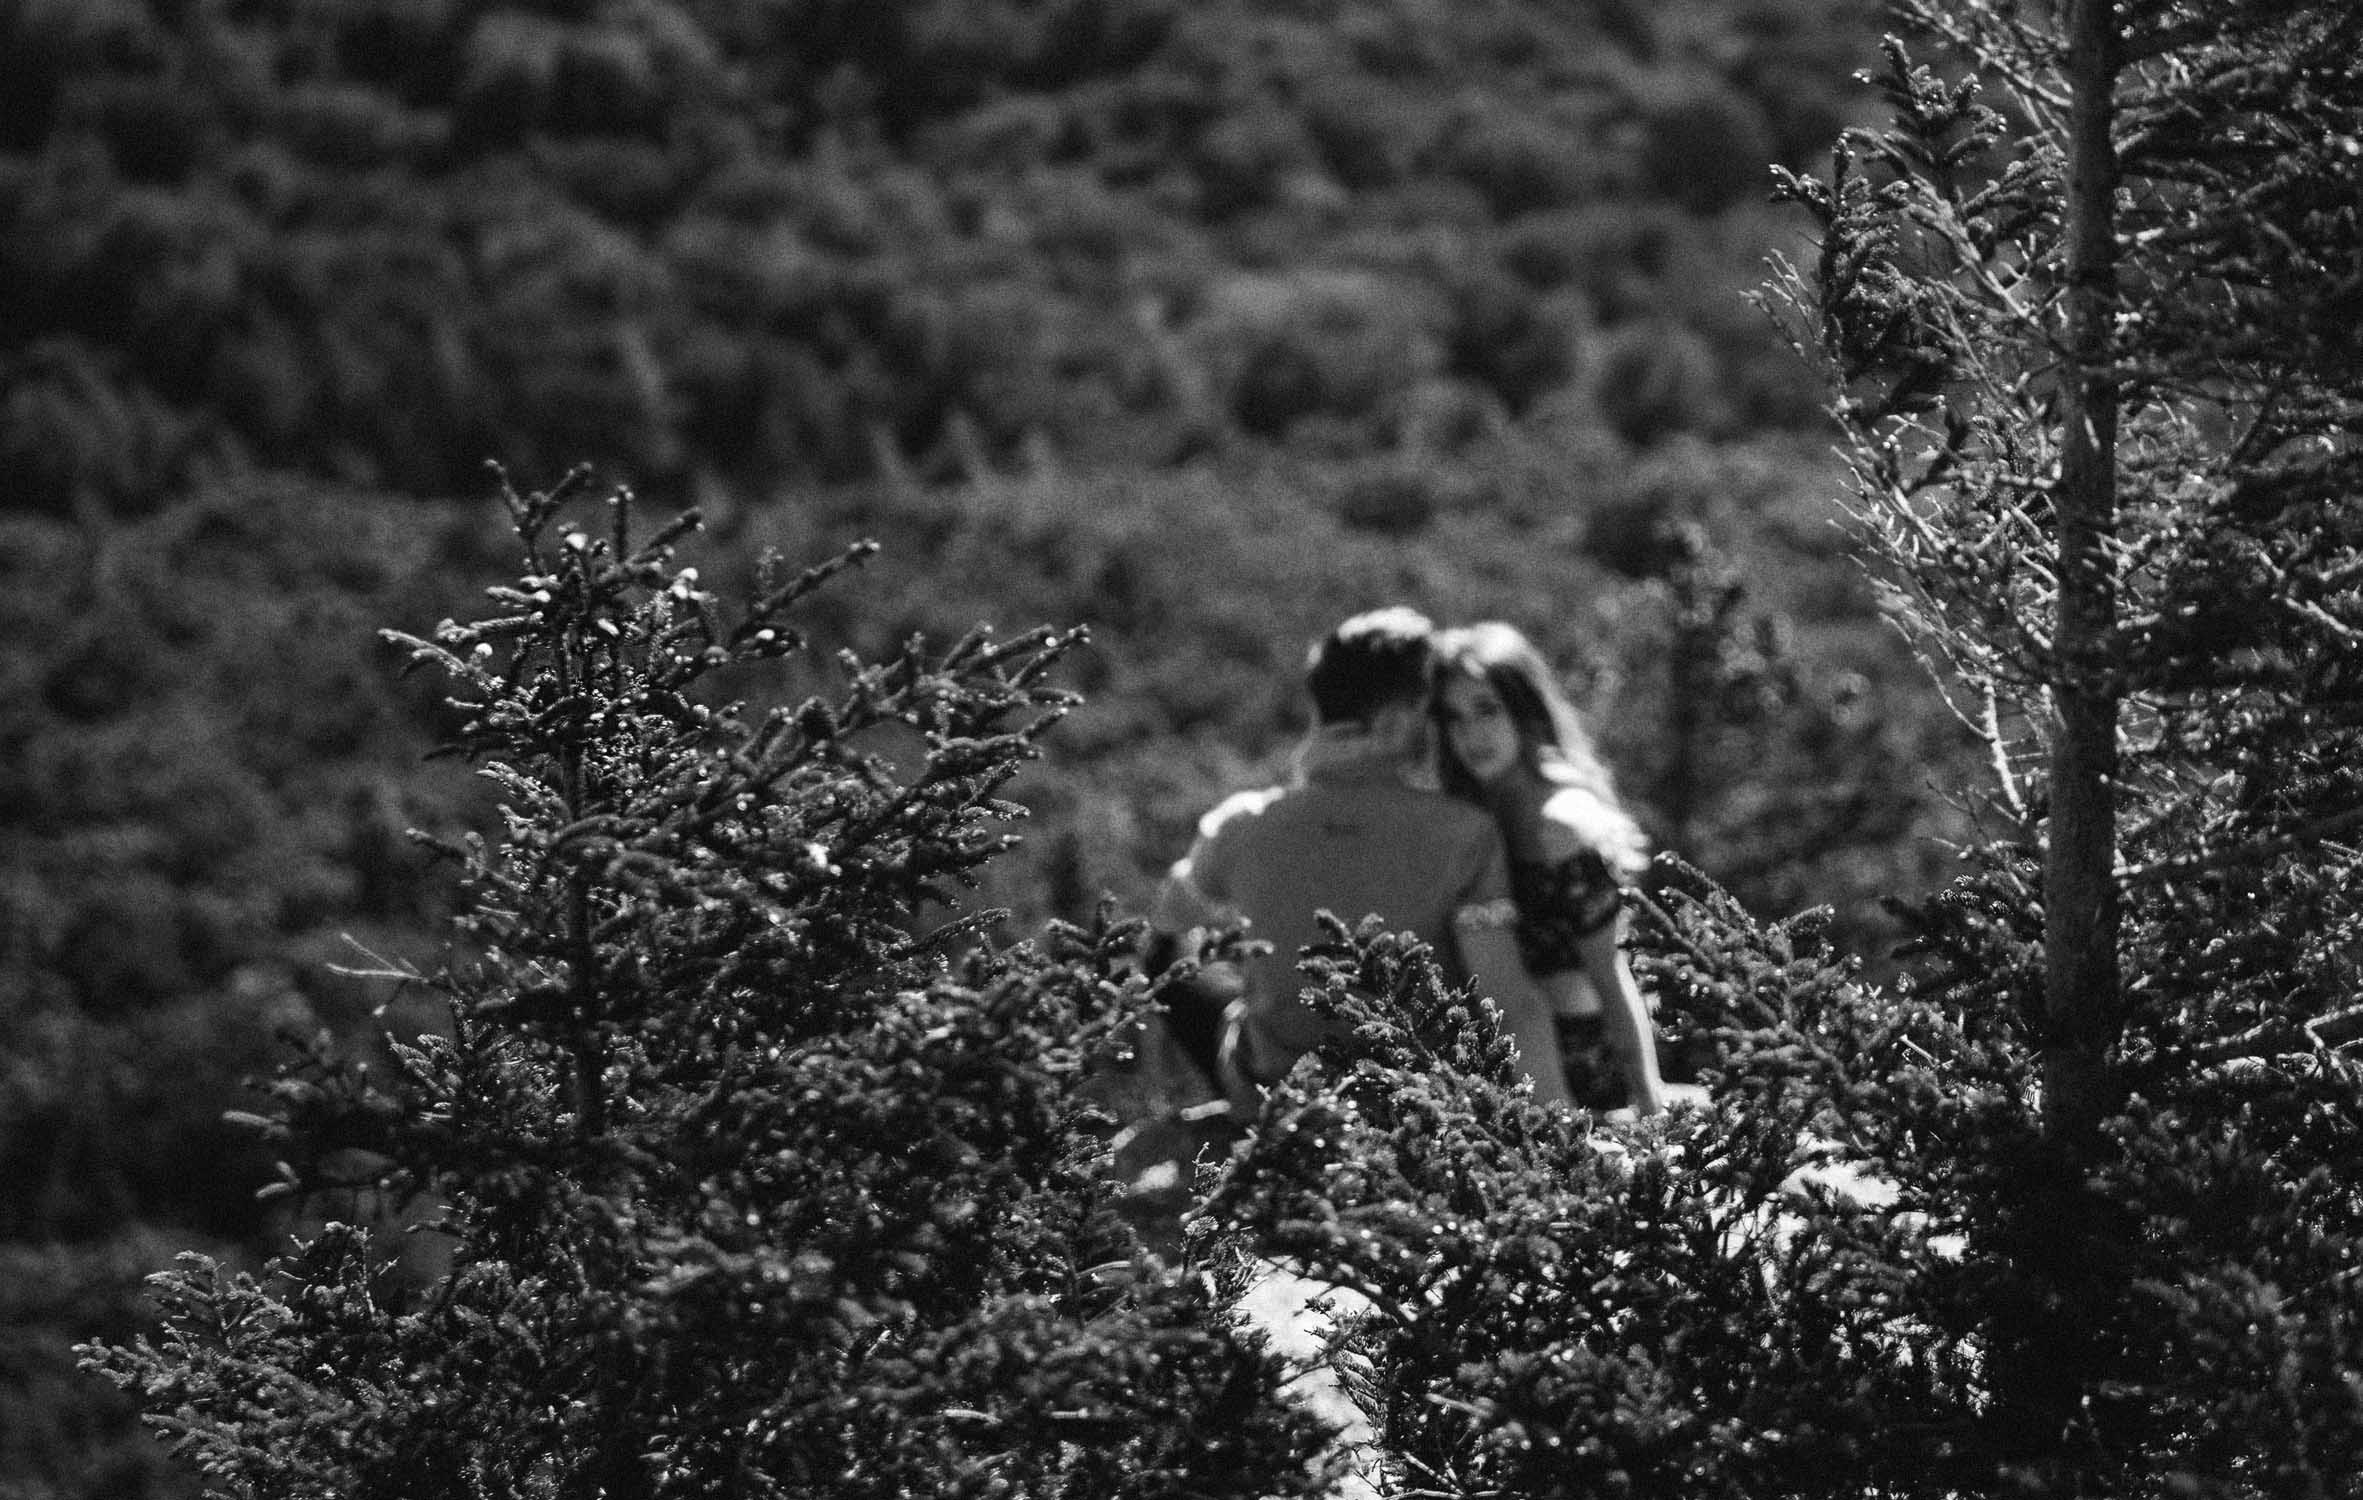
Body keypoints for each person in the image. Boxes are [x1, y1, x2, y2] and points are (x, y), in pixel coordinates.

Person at [1152, 607, 1574, 1110]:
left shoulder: (1241, 824)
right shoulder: (1465, 833)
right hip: (1413, 1097)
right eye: (1431, 714)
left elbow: (1169, 918)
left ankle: (1175, 1108)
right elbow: (1506, 998)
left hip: (1277, 1097)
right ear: (1397, 724)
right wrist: (1555, 1128)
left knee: (1170, 958)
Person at [1432, 622, 1667, 1116]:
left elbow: (1612, 972)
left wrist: (1650, 1104)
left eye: (1487, 710)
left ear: (1526, 712)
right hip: (1498, 1058)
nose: (1472, 735)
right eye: (1454, 718)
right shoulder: (1471, 813)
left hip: (1582, 1073)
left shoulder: (1560, 823)